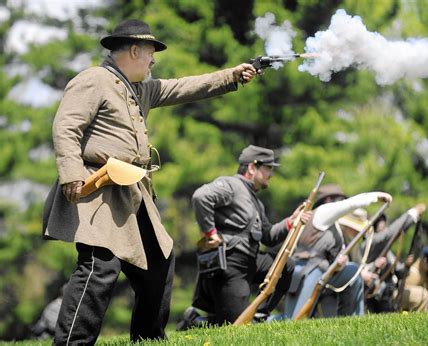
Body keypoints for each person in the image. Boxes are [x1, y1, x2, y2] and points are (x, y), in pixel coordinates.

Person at [42, 19, 257, 344]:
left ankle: (148, 338)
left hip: (134, 192)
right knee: (100, 268)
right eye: (150, 53)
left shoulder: (138, 89)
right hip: (97, 190)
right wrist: (71, 173)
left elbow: (186, 87)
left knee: (159, 261)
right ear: (133, 50)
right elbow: (65, 127)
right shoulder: (94, 80)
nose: (153, 60)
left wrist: (232, 75)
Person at [177, 145, 311, 328]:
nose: (271, 174)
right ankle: (195, 322)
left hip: (249, 261)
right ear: (252, 168)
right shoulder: (231, 185)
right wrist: (210, 234)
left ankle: (260, 314)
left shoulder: (256, 202)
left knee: (285, 265)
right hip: (230, 263)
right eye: (268, 168)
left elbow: (267, 237)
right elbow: (201, 197)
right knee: (237, 326)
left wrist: (291, 221)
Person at [284, 184, 392, 319]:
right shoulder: (323, 212)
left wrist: (340, 264)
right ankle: (260, 323)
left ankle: (355, 321)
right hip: (309, 271)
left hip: (322, 273)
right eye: (339, 199)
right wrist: (376, 196)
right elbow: (350, 204)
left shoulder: (331, 225)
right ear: (328, 199)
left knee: (353, 272)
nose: (341, 203)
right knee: (292, 320)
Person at [364, 204, 426, 313]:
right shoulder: (369, 244)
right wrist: (413, 213)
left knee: (422, 295)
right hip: (373, 298)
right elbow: (389, 234)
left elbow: (399, 272)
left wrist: (406, 265)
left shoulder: (386, 252)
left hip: (389, 294)